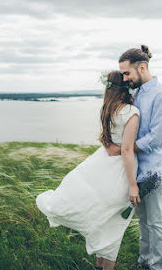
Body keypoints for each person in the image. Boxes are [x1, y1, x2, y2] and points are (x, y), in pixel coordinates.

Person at [36, 71, 141, 270]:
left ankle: (100, 266)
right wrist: (133, 184)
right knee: (114, 226)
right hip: (119, 172)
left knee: (105, 222)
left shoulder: (108, 109)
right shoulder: (131, 112)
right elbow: (126, 150)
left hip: (101, 165)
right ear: (125, 88)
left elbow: (109, 145)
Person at [105, 45, 162, 270]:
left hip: (153, 169)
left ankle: (157, 267)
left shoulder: (161, 94)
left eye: (127, 73)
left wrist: (127, 148)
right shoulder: (135, 93)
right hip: (135, 170)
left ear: (142, 68)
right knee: (143, 220)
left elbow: (155, 137)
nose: (125, 79)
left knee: (156, 221)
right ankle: (144, 260)